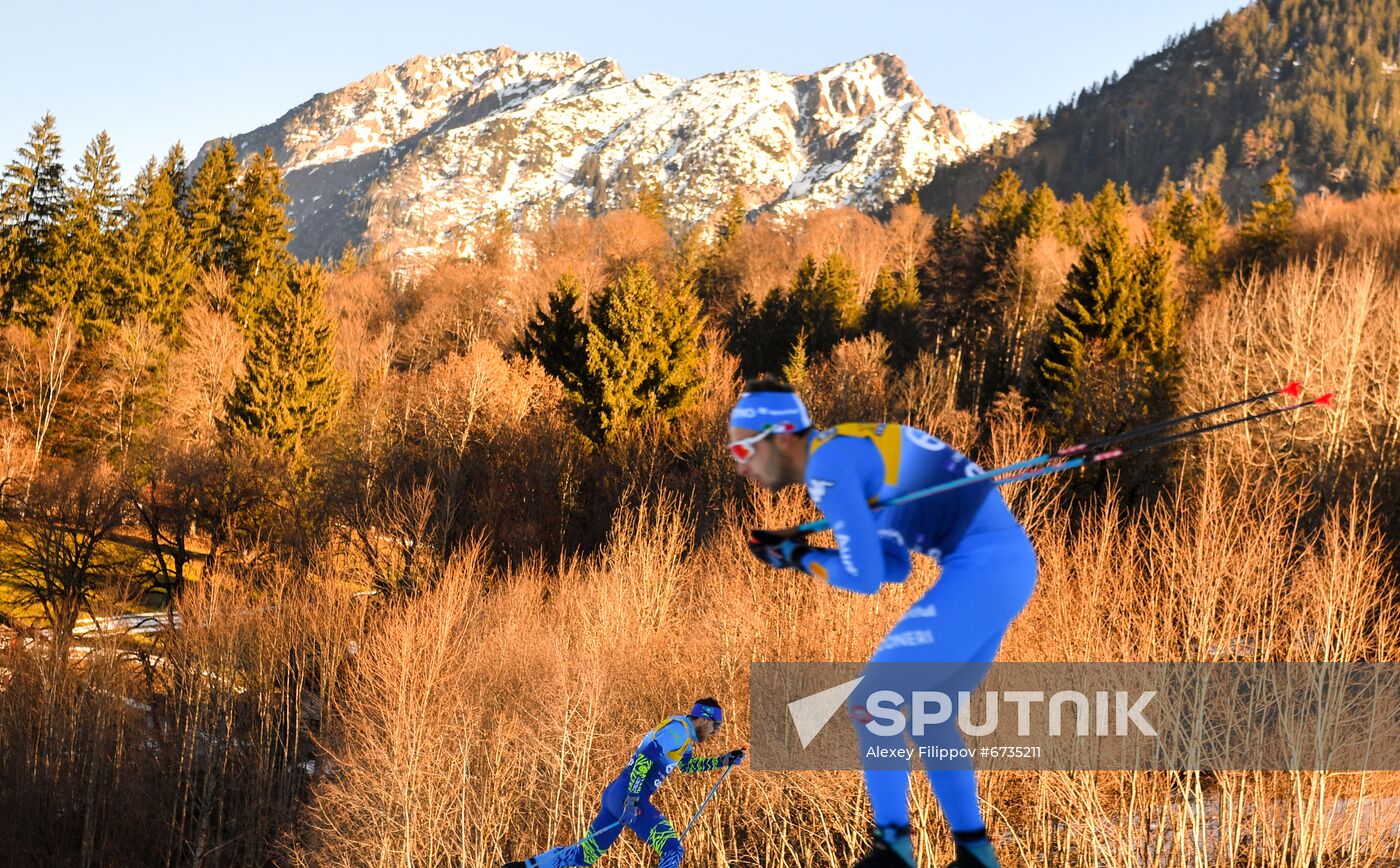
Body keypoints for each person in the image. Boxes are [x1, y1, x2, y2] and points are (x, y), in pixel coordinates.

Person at [728, 378, 1038, 868]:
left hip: (984, 568)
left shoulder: (827, 467)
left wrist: (797, 556)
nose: (740, 465)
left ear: (781, 436)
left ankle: (893, 848)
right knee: (928, 717)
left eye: (744, 448)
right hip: (1004, 566)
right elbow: (895, 566)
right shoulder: (842, 452)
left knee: (874, 701)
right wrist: (802, 552)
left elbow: (867, 577)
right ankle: (976, 854)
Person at [503, 699, 745, 868]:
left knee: (584, 855)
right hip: (629, 796)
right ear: (703, 718)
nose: (716, 732)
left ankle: (526, 866)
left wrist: (724, 760)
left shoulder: (685, 738)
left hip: (617, 794)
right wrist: (631, 800)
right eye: (715, 725)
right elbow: (644, 759)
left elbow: (688, 766)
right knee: (672, 848)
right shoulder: (678, 732)